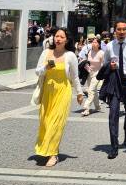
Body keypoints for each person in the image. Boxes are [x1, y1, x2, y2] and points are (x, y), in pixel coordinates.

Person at [34, 27, 83, 167]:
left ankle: (53, 154)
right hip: (47, 93)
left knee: (56, 123)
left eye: (62, 37)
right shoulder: (46, 52)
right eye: (57, 36)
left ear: (66, 40)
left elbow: (75, 77)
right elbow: (37, 71)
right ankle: (46, 149)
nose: (58, 39)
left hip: (63, 92)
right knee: (45, 122)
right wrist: (46, 68)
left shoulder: (70, 56)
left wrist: (79, 93)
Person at [97, 20, 126, 159]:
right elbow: (105, 63)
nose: (121, 32)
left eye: (124, 29)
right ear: (114, 31)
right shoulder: (110, 46)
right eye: (119, 29)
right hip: (115, 81)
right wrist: (110, 66)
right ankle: (114, 146)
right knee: (113, 113)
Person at [82, 36, 105, 116]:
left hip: (97, 74)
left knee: (91, 90)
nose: (93, 43)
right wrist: (86, 66)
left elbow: (103, 65)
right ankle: (97, 107)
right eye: (93, 42)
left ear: (99, 44)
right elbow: (86, 61)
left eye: (95, 42)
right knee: (93, 90)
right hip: (89, 73)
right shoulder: (89, 51)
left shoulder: (101, 53)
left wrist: (103, 75)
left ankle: (86, 108)